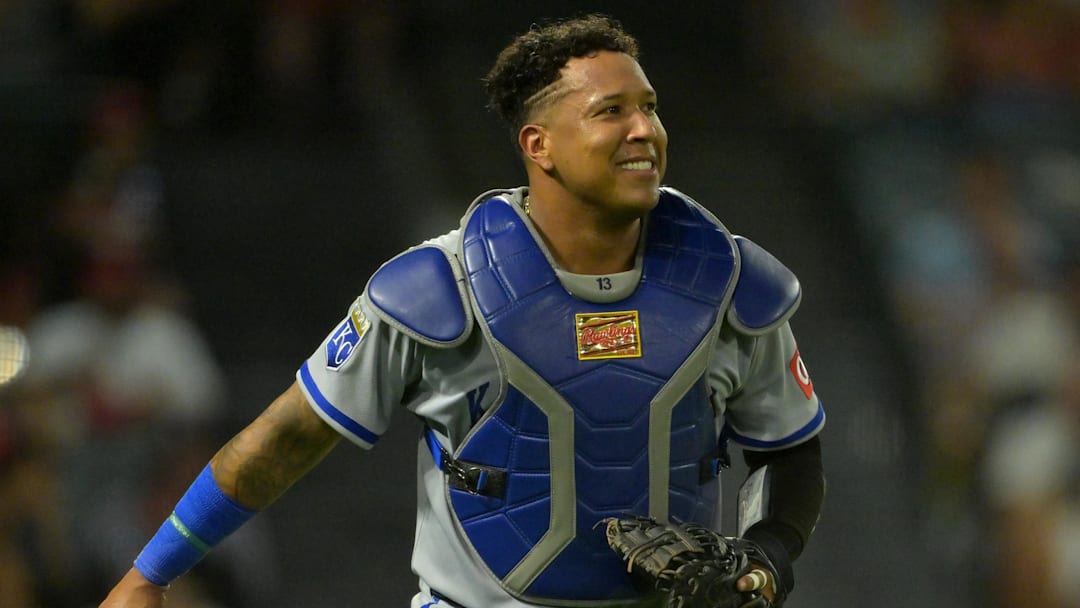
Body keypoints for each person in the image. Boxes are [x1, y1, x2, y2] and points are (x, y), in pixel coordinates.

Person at [100, 14, 826, 608]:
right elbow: (287, 438)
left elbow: (790, 446)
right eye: (611, 112)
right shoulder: (438, 289)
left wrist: (764, 559)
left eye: (650, 108)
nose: (644, 130)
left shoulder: (729, 284)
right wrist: (152, 572)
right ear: (537, 145)